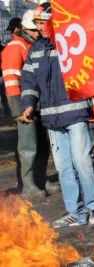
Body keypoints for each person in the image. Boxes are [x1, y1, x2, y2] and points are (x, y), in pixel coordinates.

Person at [21, 2, 94, 228]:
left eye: (42, 23)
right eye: (37, 24)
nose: (38, 29)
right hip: (52, 118)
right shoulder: (36, 51)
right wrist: (28, 104)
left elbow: (89, 69)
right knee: (64, 167)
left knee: (82, 162)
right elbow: (29, 81)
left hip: (75, 114)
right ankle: (74, 212)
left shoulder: (71, 44)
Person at [2, 10, 59, 197]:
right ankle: (28, 185)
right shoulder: (14, 48)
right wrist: (18, 109)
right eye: (34, 30)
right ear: (25, 29)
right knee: (28, 146)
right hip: (25, 106)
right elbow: (11, 81)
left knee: (42, 144)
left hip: (39, 104)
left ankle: (41, 179)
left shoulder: (33, 47)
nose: (38, 32)